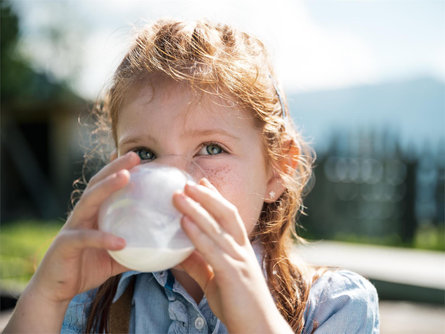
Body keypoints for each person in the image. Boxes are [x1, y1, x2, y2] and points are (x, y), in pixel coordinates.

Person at [4, 19, 379, 333]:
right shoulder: (90, 304)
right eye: (145, 154)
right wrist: (47, 295)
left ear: (277, 168)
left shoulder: (335, 305)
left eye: (211, 149)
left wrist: (255, 316)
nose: (172, 178)